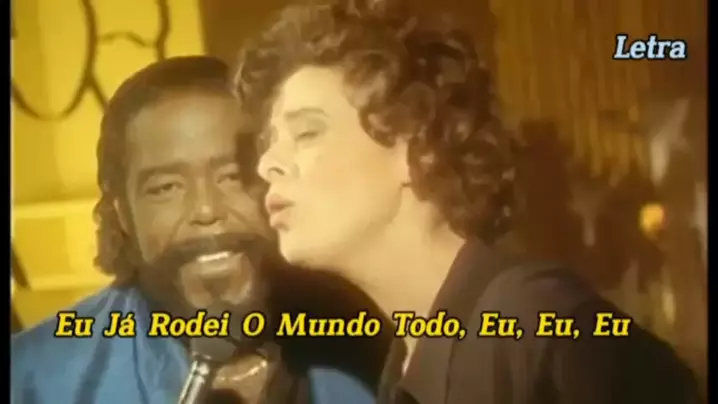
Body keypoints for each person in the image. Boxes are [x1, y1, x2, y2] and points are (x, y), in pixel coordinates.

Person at [233, 0, 701, 403]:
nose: (267, 164)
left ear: (418, 149)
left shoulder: (536, 323)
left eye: (307, 132)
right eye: (270, 143)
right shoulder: (407, 363)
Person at [11, 56, 379, 404]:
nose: (206, 210)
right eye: (166, 188)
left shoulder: (377, 337)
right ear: (123, 214)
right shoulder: (35, 380)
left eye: (234, 176)